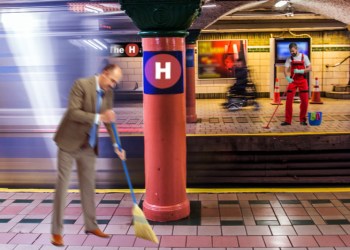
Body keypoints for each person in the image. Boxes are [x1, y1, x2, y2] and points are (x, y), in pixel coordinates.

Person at [51, 64, 126, 246]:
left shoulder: (108, 92)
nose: (113, 85)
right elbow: (73, 112)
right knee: (63, 185)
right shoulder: (81, 85)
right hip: (68, 142)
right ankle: (56, 232)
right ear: (104, 73)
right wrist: (99, 118)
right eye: (112, 80)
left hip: (89, 145)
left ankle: (91, 225)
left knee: (88, 186)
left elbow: (108, 120)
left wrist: (116, 144)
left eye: (116, 83)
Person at [281, 42, 312, 126]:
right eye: (290, 51)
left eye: (293, 51)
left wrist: (301, 71)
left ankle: (302, 120)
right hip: (293, 81)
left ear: (296, 49)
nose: (292, 53)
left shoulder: (304, 57)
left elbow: (310, 68)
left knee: (305, 101)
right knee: (288, 100)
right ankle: (288, 121)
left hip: (302, 81)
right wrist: (288, 78)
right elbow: (285, 70)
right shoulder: (289, 58)